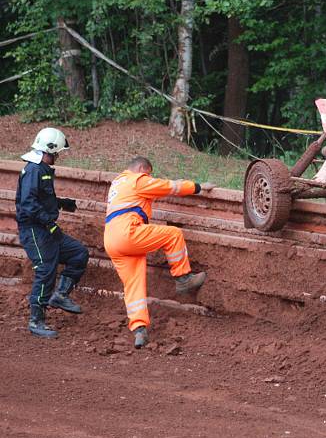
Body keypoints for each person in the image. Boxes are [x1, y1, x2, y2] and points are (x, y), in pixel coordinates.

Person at [103, 156, 213, 349]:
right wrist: (197, 187)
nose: (149, 176)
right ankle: (183, 279)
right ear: (142, 169)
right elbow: (170, 187)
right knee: (173, 234)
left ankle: (139, 330)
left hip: (111, 240)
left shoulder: (118, 183)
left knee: (133, 285)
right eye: (149, 173)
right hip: (127, 233)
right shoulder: (138, 180)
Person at [15, 127, 89, 339]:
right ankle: (36, 320)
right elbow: (28, 205)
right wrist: (50, 224)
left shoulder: (42, 170)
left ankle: (60, 295)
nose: (57, 156)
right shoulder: (33, 170)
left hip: (46, 229)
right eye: (56, 152)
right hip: (35, 231)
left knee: (79, 254)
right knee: (46, 270)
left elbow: (40, 199)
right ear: (48, 149)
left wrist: (61, 203)